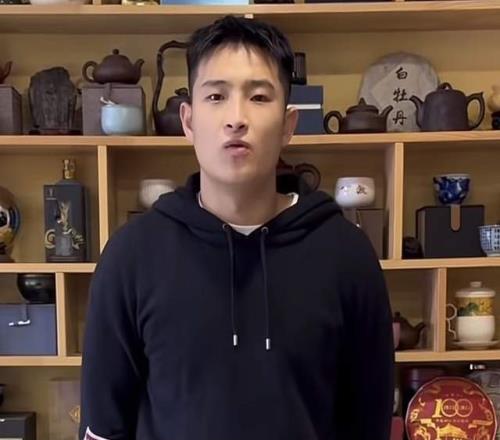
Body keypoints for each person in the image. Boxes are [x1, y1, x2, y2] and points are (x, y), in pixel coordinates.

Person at [80, 14, 395, 440]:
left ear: (288, 125)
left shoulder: (347, 256)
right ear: (188, 121)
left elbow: (368, 421)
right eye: (216, 96)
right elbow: (103, 426)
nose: (236, 118)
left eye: (259, 97)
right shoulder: (131, 257)